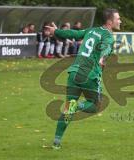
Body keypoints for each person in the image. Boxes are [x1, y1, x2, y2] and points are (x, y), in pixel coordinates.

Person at [46, 8, 121, 149]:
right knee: (95, 105)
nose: (120, 21)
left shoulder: (91, 30)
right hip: (89, 75)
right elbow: (105, 48)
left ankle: (56, 141)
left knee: (68, 108)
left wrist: (56, 32)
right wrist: (103, 57)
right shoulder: (109, 36)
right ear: (110, 22)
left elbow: (73, 33)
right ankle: (78, 105)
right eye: (118, 18)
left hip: (74, 73)